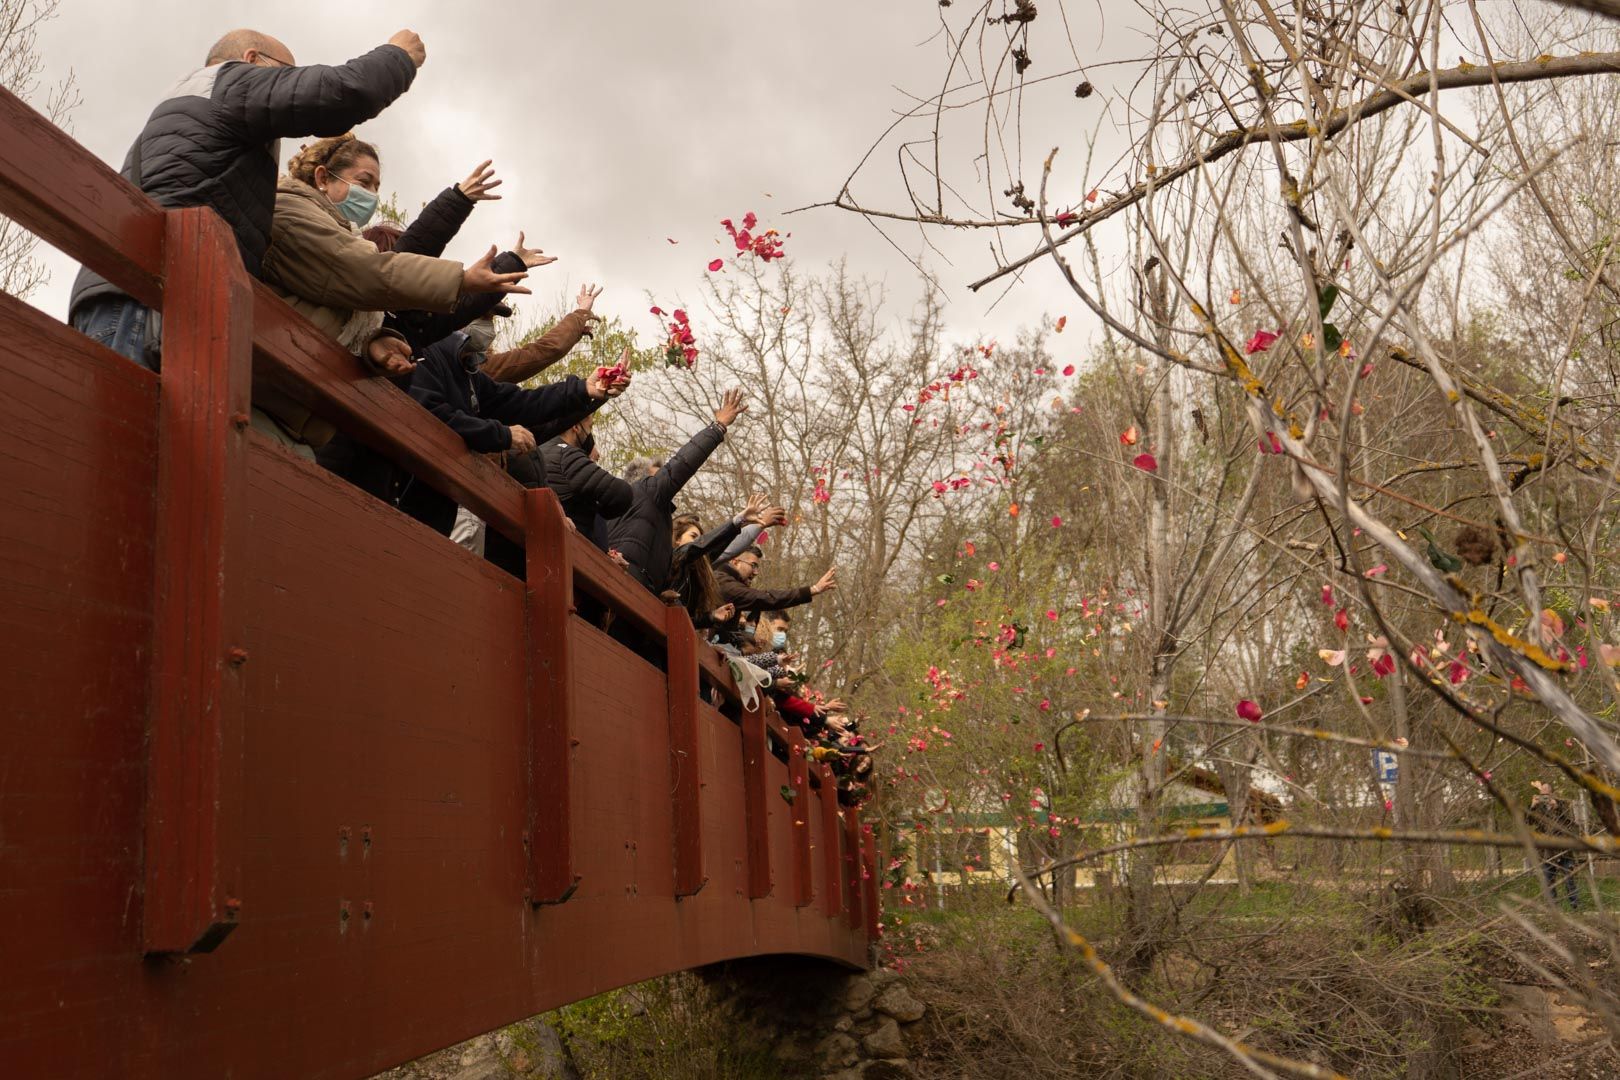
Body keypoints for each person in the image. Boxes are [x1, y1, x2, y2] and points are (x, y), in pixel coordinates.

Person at [69, 28, 429, 368]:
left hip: (134, 298)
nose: (286, 83)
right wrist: (398, 56)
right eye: (286, 74)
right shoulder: (229, 81)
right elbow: (345, 91)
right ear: (252, 58)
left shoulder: (195, 102)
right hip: (147, 304)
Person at [256, 133, 530, 455]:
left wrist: (375, 347)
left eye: (376, 187)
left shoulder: (348, 239)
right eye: (364, 181)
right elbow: (371, 272)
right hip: (264, 399)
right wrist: (462, 278)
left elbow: (354, 319)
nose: (371, 195)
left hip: (298, 417)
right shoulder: (290, 210)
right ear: (322, 177)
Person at [397, 323, 630, 536]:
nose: (491, 329)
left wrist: (583, 389)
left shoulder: (470, 373)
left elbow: (520, 403)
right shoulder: (427, 356)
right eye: (486, 314)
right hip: (406, 499)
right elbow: (432, 415)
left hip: (444, 505)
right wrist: (503, 434)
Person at [606, 389, 747, 593]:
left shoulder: (615, 506)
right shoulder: (649, 492)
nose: (664, 481)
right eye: (659, 476)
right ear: (645, 480)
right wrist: (718, 427)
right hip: (628, 591)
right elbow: (683, 463)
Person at [668, 497, 786, 627]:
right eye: (693, 536)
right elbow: (706, 545)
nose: (699, 541)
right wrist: (740, 520)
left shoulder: (698, 571)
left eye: (701, 538)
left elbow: (687, 621)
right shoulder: (671, 559)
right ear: (677, 539)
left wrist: (711, 617)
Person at [540, 413, 633, 548]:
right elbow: (622, 494)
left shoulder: (540, 449)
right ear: (576, 427)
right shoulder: (566, 454)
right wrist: (599, 507)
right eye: (590, 427)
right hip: (566, 550)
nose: (590, 434)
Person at [714, 544, 837, 640]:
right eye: (753, 565)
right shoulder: (726, 584)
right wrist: (813, 590)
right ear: (735, 562)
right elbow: (765, 598)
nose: (756, 572)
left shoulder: (730, 582)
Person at [1530, 782, 1582, 911]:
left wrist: (1557, 806)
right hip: (1547, 851)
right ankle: (1553, 909)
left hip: (1563, 848)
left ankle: (1576, 906)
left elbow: (1570, 821)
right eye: (1542, 791)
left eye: (1547, 791)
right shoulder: (1537, 808)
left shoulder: (1562, 804)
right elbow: (1528, 821)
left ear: (1552, 793)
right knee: (1548, 880)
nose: (1544, 794)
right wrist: (1532, 806)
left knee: (1569, 879)